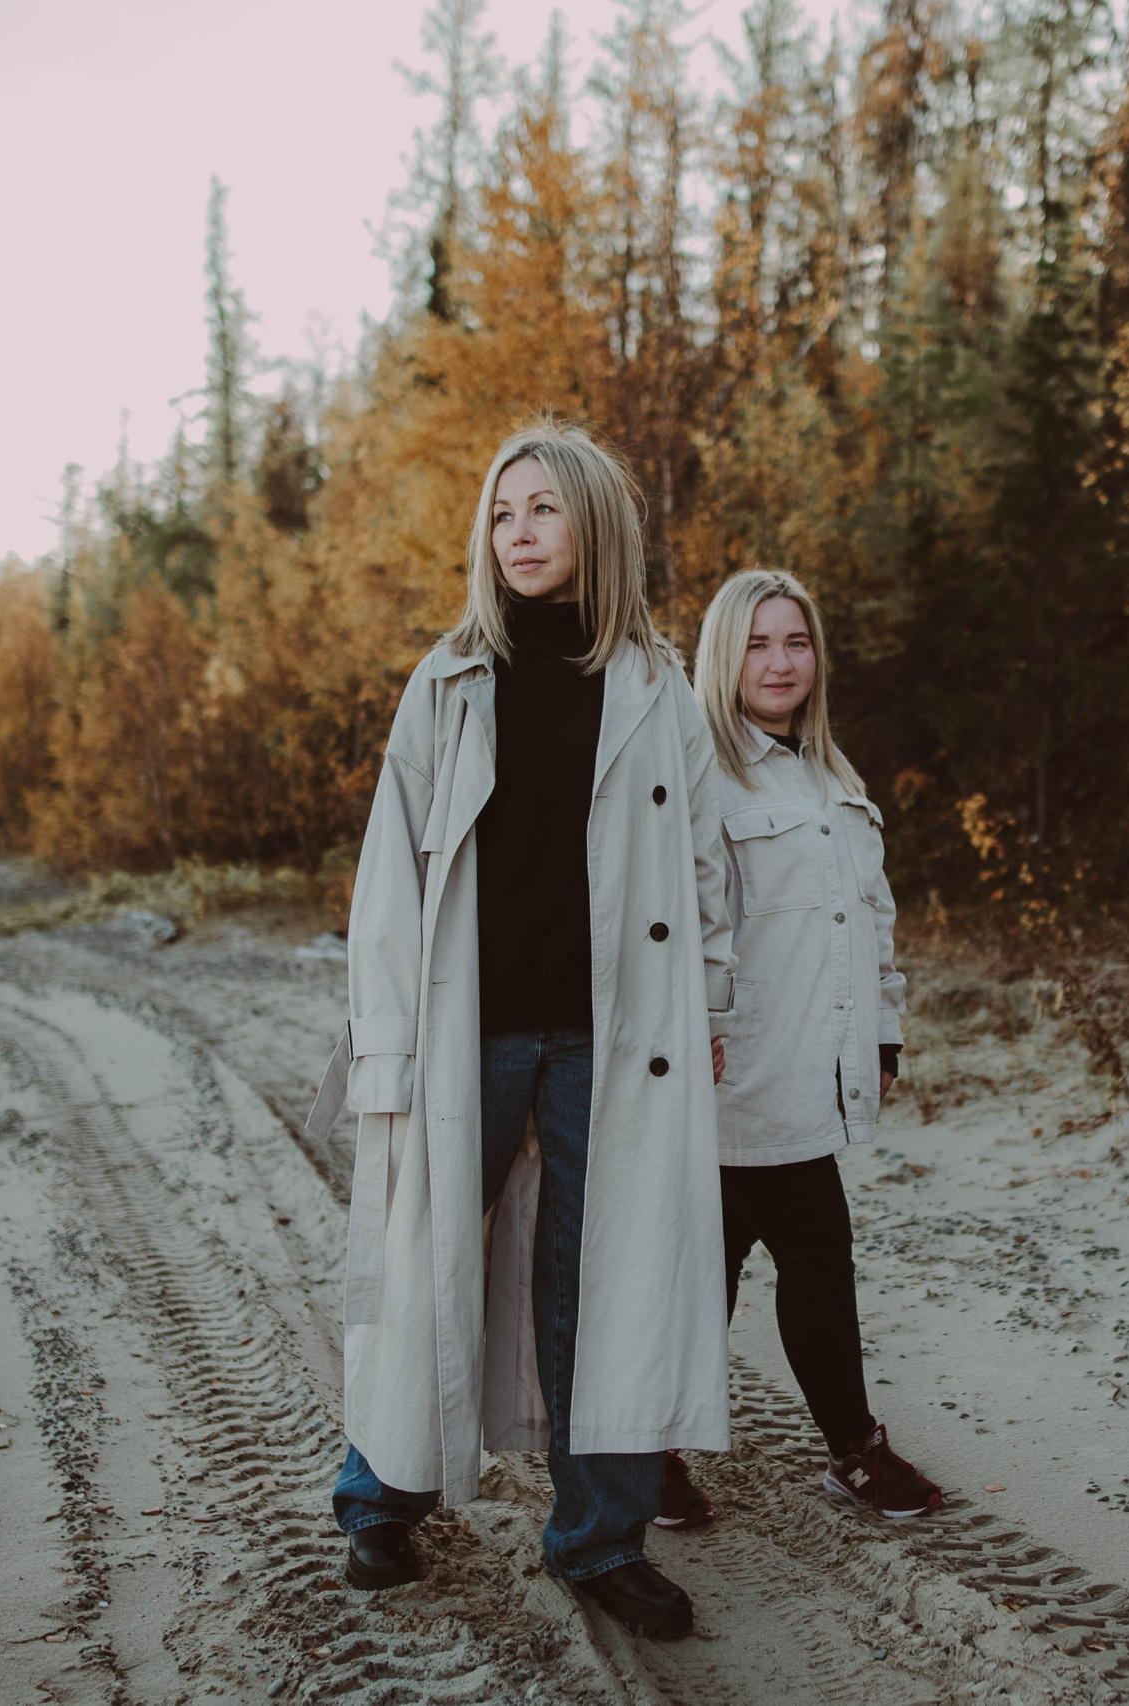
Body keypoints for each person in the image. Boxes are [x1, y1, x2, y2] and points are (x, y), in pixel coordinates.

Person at [311, 421, 734, 1640]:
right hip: (472, 1030)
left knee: (609, 1284)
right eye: (502, 513)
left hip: (618, 1038)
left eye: (543, 508)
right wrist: (386, 1043)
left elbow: (705, 868)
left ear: (593, 524)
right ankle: (378, 1495)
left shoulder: (656, 688)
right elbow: (389, 880)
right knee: (426, 1259)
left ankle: (599, 1537)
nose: (518, 532)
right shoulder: (448, 680)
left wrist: (707, 1005)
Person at [655, 568, 944, 1528]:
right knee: (732, 1271)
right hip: (728, 1074)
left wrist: (884, 1038)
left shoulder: (832, 779)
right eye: (757, 643)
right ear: (723, 656)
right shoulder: (696, 772)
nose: (780, 663)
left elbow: (872, 924)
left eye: (796, 642)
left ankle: (830, 1450)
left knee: (781, 1261)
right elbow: (674, 924)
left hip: (811, 1074)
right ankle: (671, 1456)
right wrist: (690, 1030)